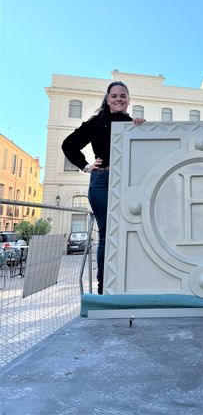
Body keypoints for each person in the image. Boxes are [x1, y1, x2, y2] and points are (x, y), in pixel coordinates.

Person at [62, 81, 144, 294]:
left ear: (128, 100)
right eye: (114, 96)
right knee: (108, 232)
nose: (119, 99)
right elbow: (68, 145)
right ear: (107, 99)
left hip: (127, 182)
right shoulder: (96, 123)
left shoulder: (131, 123)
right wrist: (86, 166)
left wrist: (142, 127)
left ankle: (128, 282)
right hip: (102, 180)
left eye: (123, 96)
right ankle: (104, 286)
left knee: (131, 229)